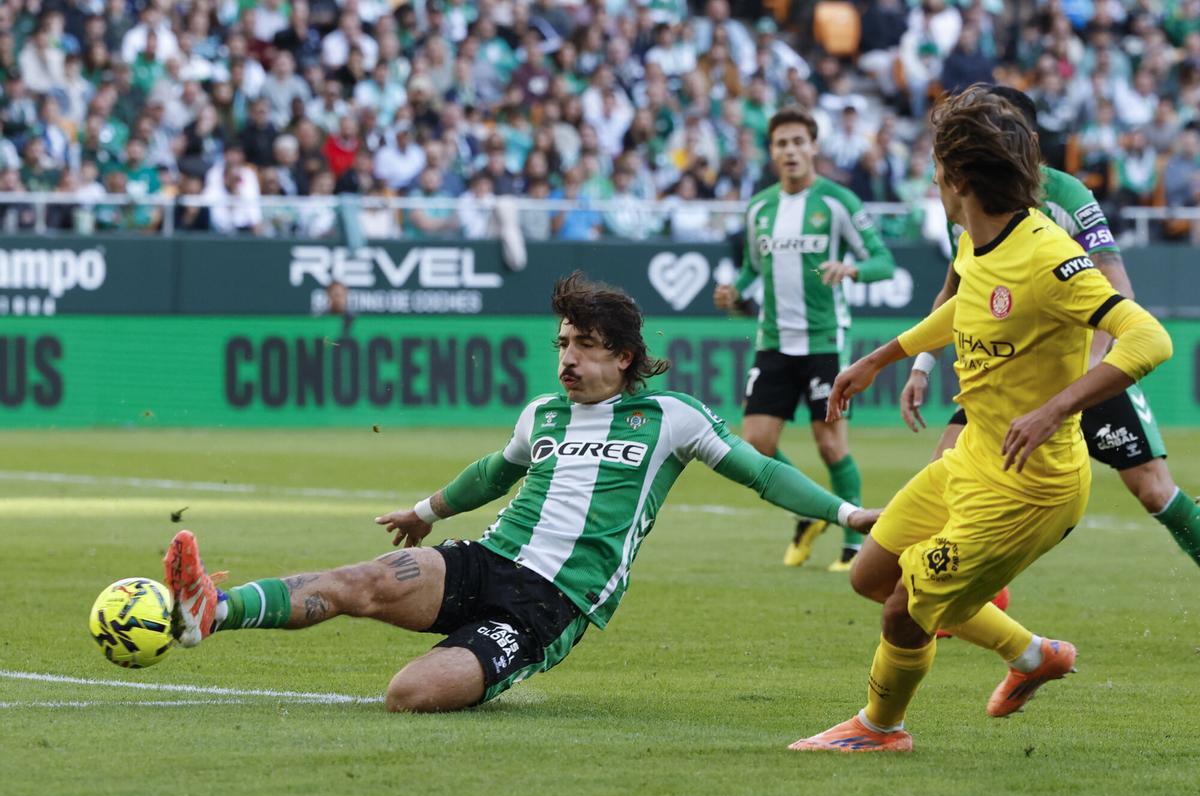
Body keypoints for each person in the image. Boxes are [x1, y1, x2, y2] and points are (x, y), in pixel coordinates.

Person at [163, 272, 880, 712]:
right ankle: (211, 610)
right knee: (363, 580)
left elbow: (762, 471)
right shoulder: (543, 413)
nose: (566, 359)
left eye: (582, 345)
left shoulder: (671, 418)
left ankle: (489, 665)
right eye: (561, 344)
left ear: (622, 356)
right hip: (488, 557)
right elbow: (495, 472)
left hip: (551, 603)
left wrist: (849, 513)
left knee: (407, 696)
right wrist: (425, 511)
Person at [790, 87, 1172, 753]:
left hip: (1030, 489)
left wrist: (1056, 407)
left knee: (904, 608)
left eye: (936, 166)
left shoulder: (1049, 254)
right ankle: (1034, 655)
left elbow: (1149, 338)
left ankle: (881, 729)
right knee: (870, 576)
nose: (932, 179)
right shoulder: (976, 236)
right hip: (974, 461)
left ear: (956, 177)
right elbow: (967, 303)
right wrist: (883, 358)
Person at [901, 87, 1200, 570]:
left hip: (1081, 368)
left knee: (1153, 489)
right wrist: (922, 364)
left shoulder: (1066, 194)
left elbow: (1116, 283)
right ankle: (963, 605)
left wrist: (1088, 370)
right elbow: (953, 293)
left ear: (1029, 140)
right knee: (944, 477)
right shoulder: (967, 194)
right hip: (1009, 375)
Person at [713, 107, 897, 572]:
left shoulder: (837, 202)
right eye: (782, 143)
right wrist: (734, 290)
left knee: (831, 445)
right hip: (773, 339)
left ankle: (856, 543)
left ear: (814, 147)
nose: (791, 151)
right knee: (755, 443)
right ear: (771, 151)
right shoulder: (759, 209)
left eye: (799, 142)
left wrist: (851, 268)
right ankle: (807, 511)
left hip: (823, 341)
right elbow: (754, 270)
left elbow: (884, 261)